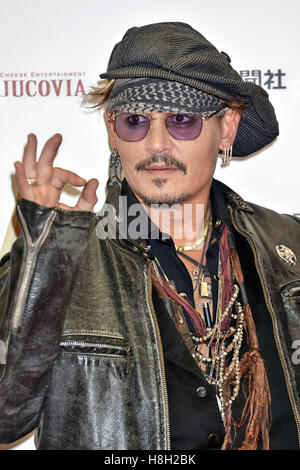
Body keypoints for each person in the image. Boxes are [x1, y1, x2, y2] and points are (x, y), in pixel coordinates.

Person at [0, 22, 299, 451]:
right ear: (111, 130)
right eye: (135, 121)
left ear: (227, 128)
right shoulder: (60, 258)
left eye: (182, 120)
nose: (156, 143)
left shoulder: (287, 245)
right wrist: (41, 266)